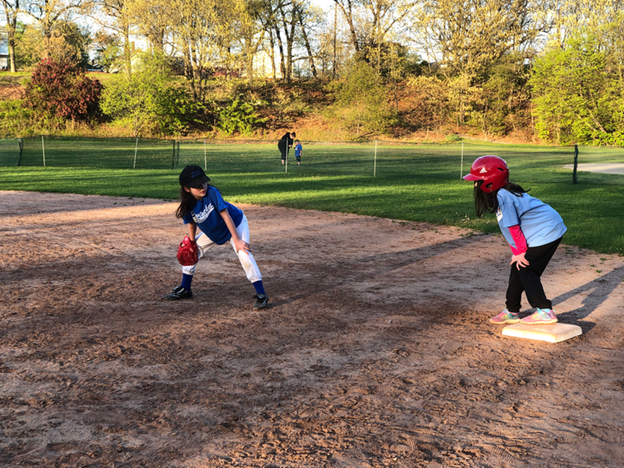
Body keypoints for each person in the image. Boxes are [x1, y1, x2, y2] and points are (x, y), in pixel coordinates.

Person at [463, 155, 567, 325]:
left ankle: (545, 310)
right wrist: (516, 253)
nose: (475, 185)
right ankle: (511, 311)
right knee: (517, 267)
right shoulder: (502, 194)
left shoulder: (503, 196)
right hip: (541, 231)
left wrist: (521, 252)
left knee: (526, 269)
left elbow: (514, 228)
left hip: (547, 231)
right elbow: (510, 230)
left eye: (478, 181)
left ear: (490, 182)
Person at [164, 165, 269, 309]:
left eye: (204, 182)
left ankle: (261, 294)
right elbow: (191, 223)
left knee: (244, 253)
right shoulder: (188, 204)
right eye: (197, 185)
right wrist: (192, 242)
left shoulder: (212, 193)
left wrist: (237, 241)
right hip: (213, 231)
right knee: (191, 252)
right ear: (187, 189)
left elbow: (226, 216)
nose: (203, 187)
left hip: (235, 224)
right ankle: (185, 288)